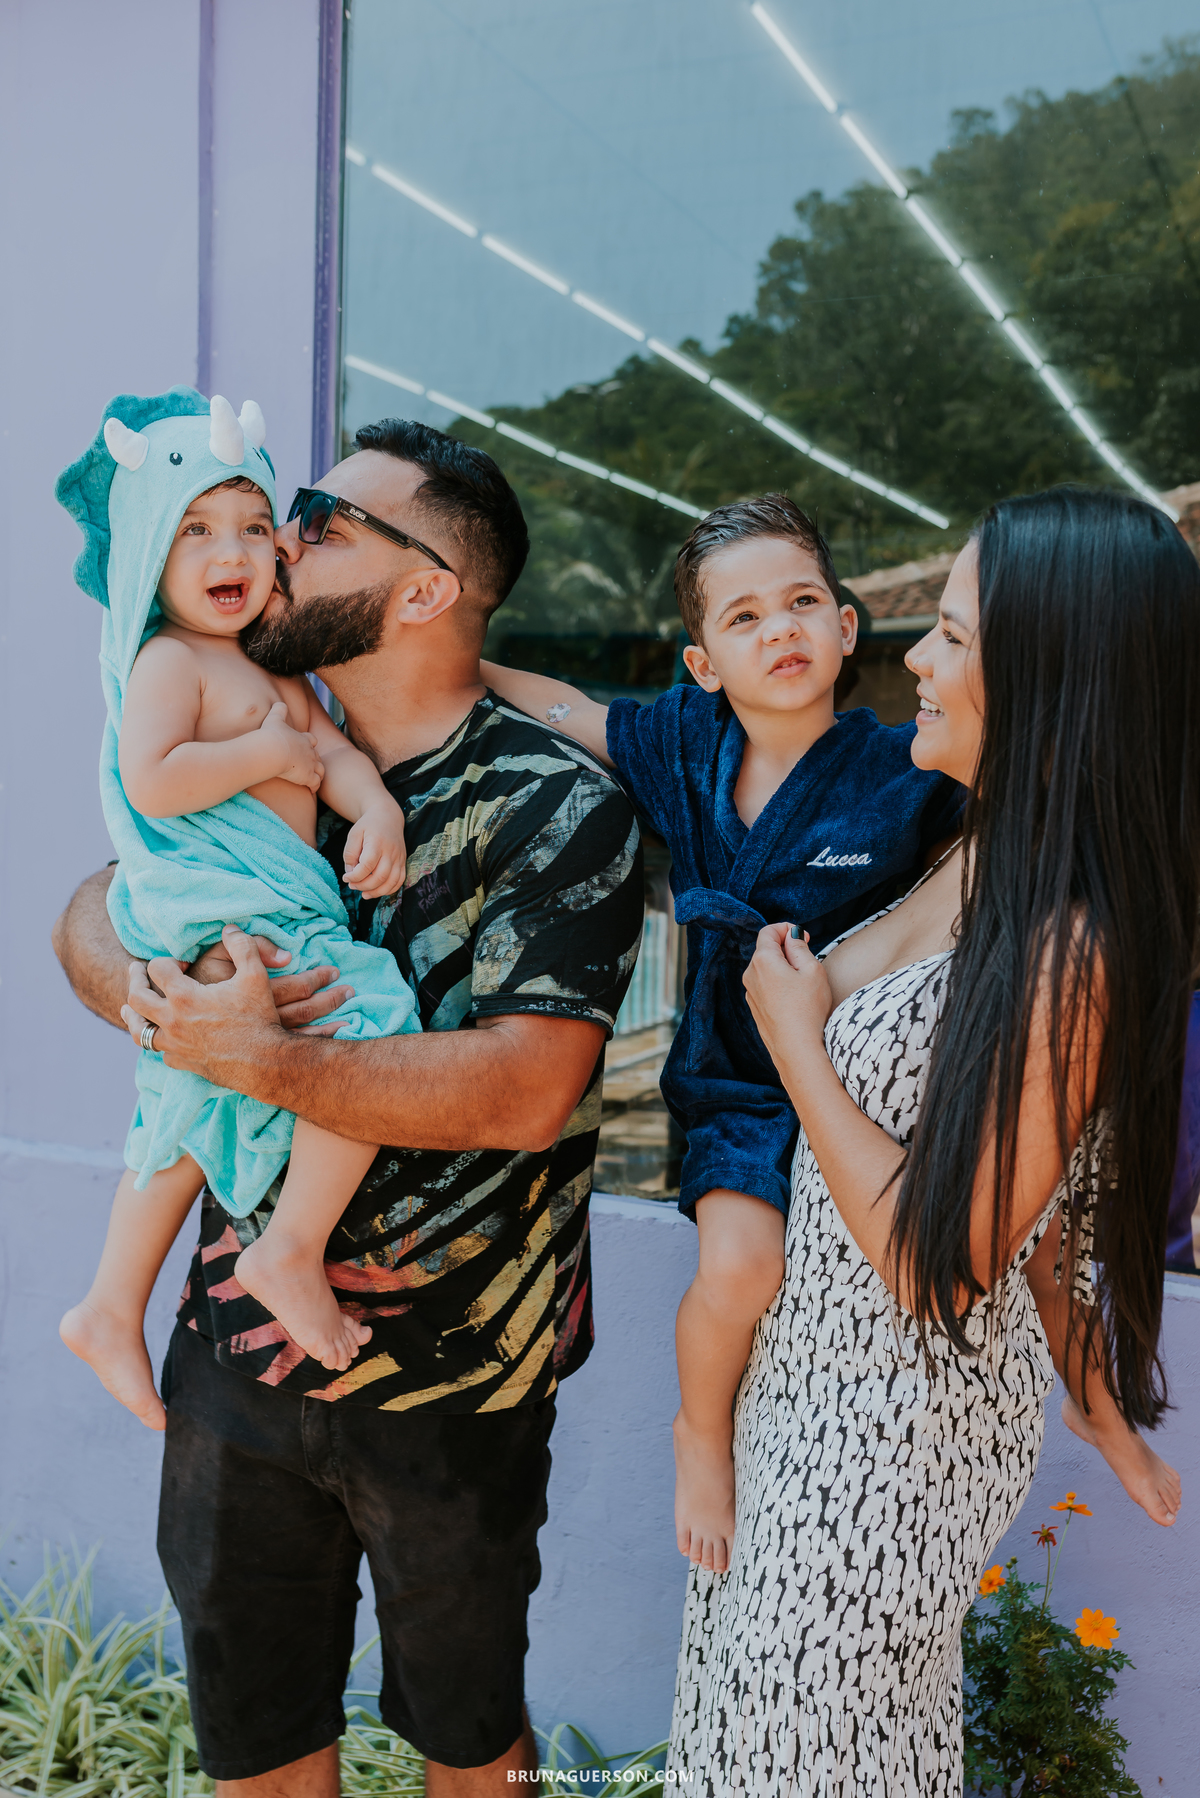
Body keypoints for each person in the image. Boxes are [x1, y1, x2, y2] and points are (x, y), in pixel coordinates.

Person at [52, 415, 643, 1797]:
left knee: (467, 1740)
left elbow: (524, 1086)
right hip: (233, 1365)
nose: (275, 542)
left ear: (426, 586)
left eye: (313, 519)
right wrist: (145, 979)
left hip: (456, 1379)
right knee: (255, 1738)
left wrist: (259, 1055)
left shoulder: (553, 803)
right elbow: (109, 896)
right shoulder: (256, 718)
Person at [668, 486, 1192, 1797]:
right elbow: (1055, 1203)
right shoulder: (978, 849)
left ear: (1047, 673)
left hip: (885, 1447)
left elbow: (948, 1259)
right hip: (801, 1395)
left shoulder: (1076, 938)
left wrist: (796, 1037)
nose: (914, 656)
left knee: (812, 1761)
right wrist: (1098, 1391)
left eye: (951, 636)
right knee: (756, 1747)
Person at [482, 494, 961, 1571]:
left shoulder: (908, 768)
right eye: (742, 619)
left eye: (800, 602)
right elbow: (572, 713)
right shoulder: (684, 745)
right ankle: (699, 1428)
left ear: (847, 625)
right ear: (705, 663)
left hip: (868, 1086)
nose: (778, 629)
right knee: (744, 1270)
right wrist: (452, 666)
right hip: (735, 1084)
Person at [56, 389, 423, 1405]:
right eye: (197, 531)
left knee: (186, 1096)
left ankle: (108, 1304)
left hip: (276, 911)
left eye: (254, 527)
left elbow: (336, 757)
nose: (234, 551)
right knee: (375, 1016)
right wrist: (262, 749)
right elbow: (155, 780)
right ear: (146, 560)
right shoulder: (169, 662)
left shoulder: (274, 665)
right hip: (217, 910)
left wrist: (375, 809)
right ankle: (288, 1248)